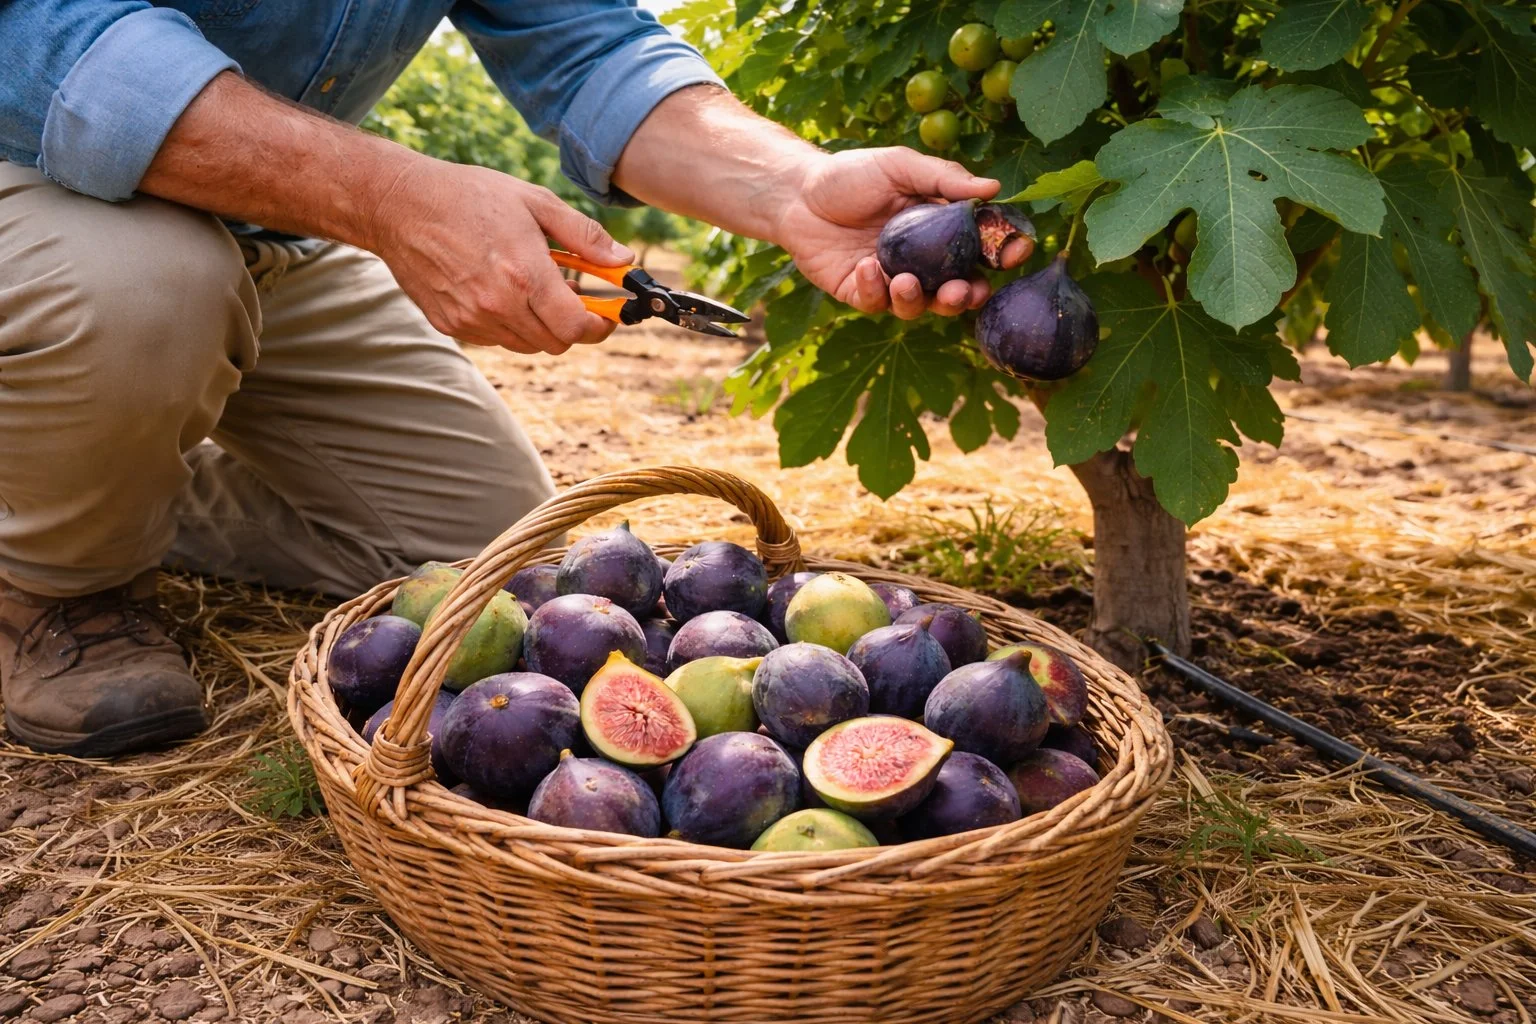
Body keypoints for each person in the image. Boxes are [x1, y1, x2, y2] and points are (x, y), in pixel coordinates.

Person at [0, 2, 1029, 757]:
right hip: (40, 185)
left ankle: (78, 479)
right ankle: (58, 592)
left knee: (485, 565)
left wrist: (794, 184)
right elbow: (50, 37)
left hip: (272, 223)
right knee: (144, 288)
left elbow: (591, 50)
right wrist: (394, 198)